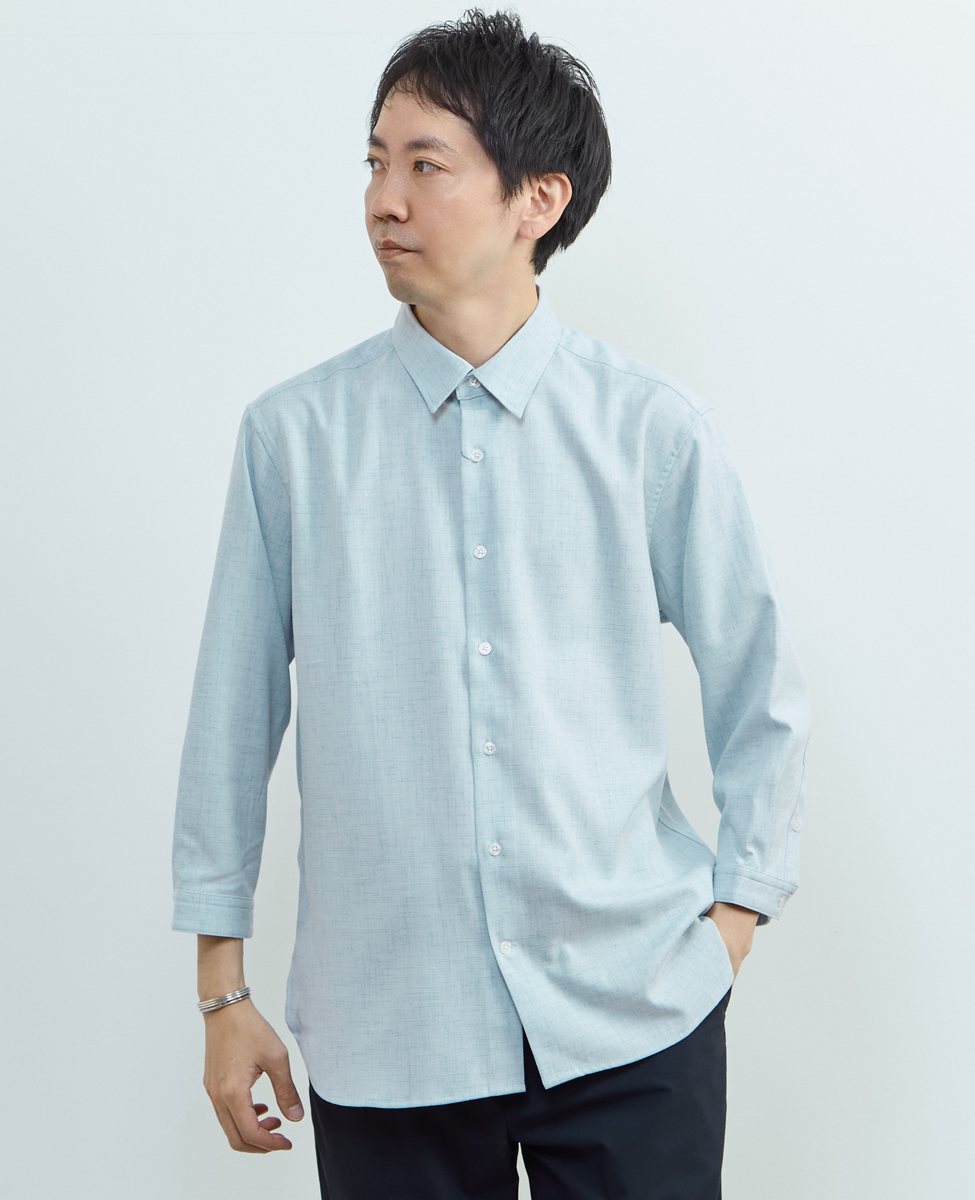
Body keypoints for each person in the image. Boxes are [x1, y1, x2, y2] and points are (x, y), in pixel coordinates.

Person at [171, 8, 811, 1198]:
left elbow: (759, 691)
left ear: (538, 200)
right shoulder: (294, 440)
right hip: (388, 1031)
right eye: (375, 162)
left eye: (427, 165)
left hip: (632, 1020)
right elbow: (231, 720)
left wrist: (731, 923)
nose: (384, 200)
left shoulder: (650, 430)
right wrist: (223, 990)